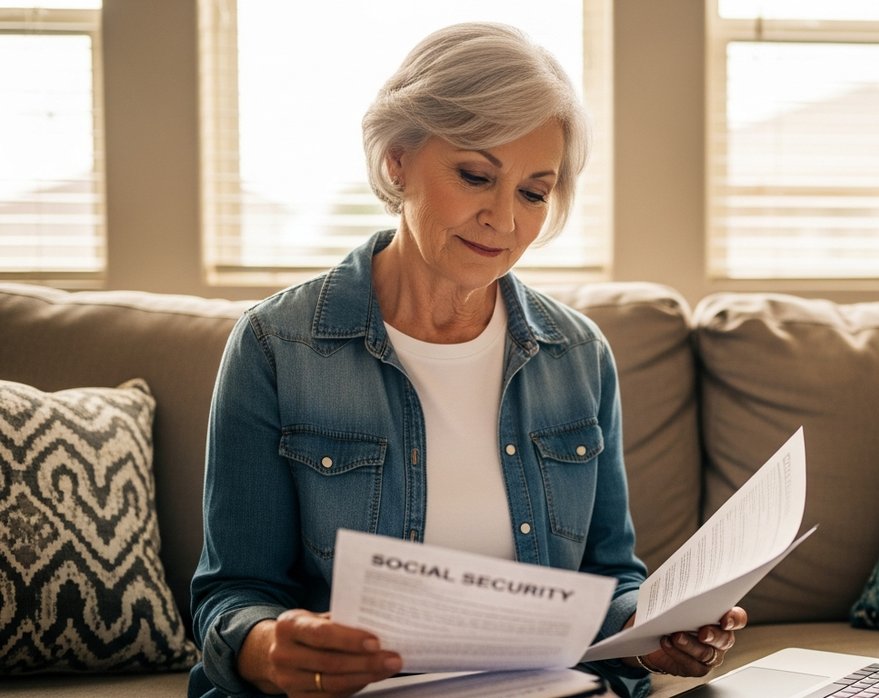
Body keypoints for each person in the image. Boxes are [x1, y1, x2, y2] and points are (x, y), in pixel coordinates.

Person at [187, 21, 746, 698]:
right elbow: (233, 594)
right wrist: (271, 646)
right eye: (476, 175)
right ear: (397, 160)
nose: (505, 222)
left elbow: (610, 583)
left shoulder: (576, 357)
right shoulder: (277, 346)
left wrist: (661, 631)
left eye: (533, 193)